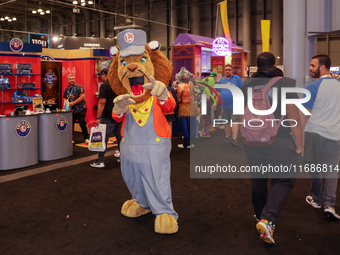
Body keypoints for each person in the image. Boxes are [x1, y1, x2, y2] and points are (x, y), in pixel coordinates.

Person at [241, 52, 303, 244]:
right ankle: (268, 220)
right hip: (279, 139)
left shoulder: (245, 84)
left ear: (257, 66)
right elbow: (293, 116)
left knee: (258, 178)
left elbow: (240, 112)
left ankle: (260, 217)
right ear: (275, 64)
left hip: (251, 139)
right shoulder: (285, 83)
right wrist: (300, 145)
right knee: (283, 180)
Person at [301, 54, 340, 220]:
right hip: (335, 135)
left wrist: (300, 137)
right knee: (332, 170)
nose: (310, 68)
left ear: (322, 67)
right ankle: (330, 205)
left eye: (312, 65)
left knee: (315, 167)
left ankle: (317, 200)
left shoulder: (312, 88)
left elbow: (305, 115)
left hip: (315, 134)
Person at [90, 68, 122, 168]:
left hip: (108, 117)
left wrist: (98, 117)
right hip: (119, 116)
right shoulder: (119, 85)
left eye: (101, 76)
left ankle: (100, 161)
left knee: (102, 139)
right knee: (121, 139)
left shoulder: (105, 86)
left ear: (105, 75)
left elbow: (102, 102)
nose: (101, 78)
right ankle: (123, 158)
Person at [217, 64, 243, 146]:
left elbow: (242, 90)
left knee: (234, 120)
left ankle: (234, 139)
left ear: (232, 70)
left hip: (235, 104)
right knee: (226, 121)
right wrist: (216, 102)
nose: (227, 71)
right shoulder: (221, 80)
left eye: (229, 70)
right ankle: (228, 136)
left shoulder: (237, 79)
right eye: (226, 70)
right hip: (224, 105)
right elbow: (219, 92)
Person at [176, 67, 199, 148]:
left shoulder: (180, 86)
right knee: (192, 124)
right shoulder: (191, 84)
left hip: (184, 107)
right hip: (192, 105)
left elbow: (178, 99)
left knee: (184, 125)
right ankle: (191, 141)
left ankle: (187, 143)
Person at [63, 74, 89, 143]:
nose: (72, 80)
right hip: (72, 110)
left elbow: (82, 96)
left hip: (81, 108)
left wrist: (74, 103)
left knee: (82, 123)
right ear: (67, 80)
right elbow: (64, 98)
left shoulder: (79, 87)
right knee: (71, 124)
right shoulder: (66, 89)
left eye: (73, 79)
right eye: (70, 79)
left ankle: (87, 138)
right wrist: (66, 103)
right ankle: (71, 139)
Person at [200, 71, 217, 137]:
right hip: (207, 98)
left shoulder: (207, 79)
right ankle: (206, 131)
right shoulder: (211, 80)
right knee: (206, 115)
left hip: (206, 98)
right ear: (214, 76)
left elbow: (200, 83)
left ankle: (206, 132)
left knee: (204, 116)